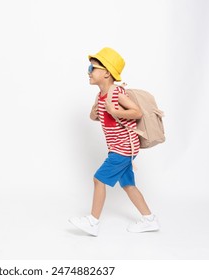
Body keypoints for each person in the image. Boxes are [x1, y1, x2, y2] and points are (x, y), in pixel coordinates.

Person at [69, 47, 160, 236]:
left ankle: (93, 222)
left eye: (92, 68)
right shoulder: (100, 96)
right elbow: (100, 117)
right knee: (128, 185)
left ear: (107, 73)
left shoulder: (116, 93)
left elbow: (137, 112)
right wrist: (94, 114)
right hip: (118, 149)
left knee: (98, 179)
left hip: (124, 148)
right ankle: (149, 219)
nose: (88, 72)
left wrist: (115, 111)